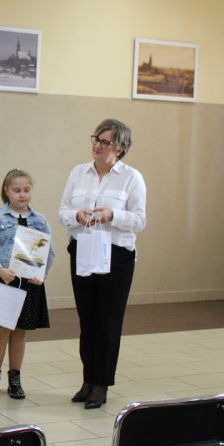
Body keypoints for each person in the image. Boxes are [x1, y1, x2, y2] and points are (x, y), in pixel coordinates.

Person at [58, 119, 147, 409]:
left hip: (117, 256)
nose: (97, 145)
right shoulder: (78, 172)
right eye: (96, 139)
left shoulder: (131, 178)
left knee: (108, 321)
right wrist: (77, 216)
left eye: (104, 142)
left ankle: (101, 384)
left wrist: (112, 216)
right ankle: (88, 379)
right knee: (87, 319)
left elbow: (139, 220)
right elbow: (62, 211)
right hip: (83, 250)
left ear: (119, 149)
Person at [0, 169, 54, 399]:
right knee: (1, 330)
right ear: (6, 191)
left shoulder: (40, 221)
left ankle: (15, 378)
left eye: (26, 190)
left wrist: (41, 273)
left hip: (29, 283)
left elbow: (49, 251)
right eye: (17, 190)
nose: (22, 194)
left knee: (20, 331)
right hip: (3, 280)